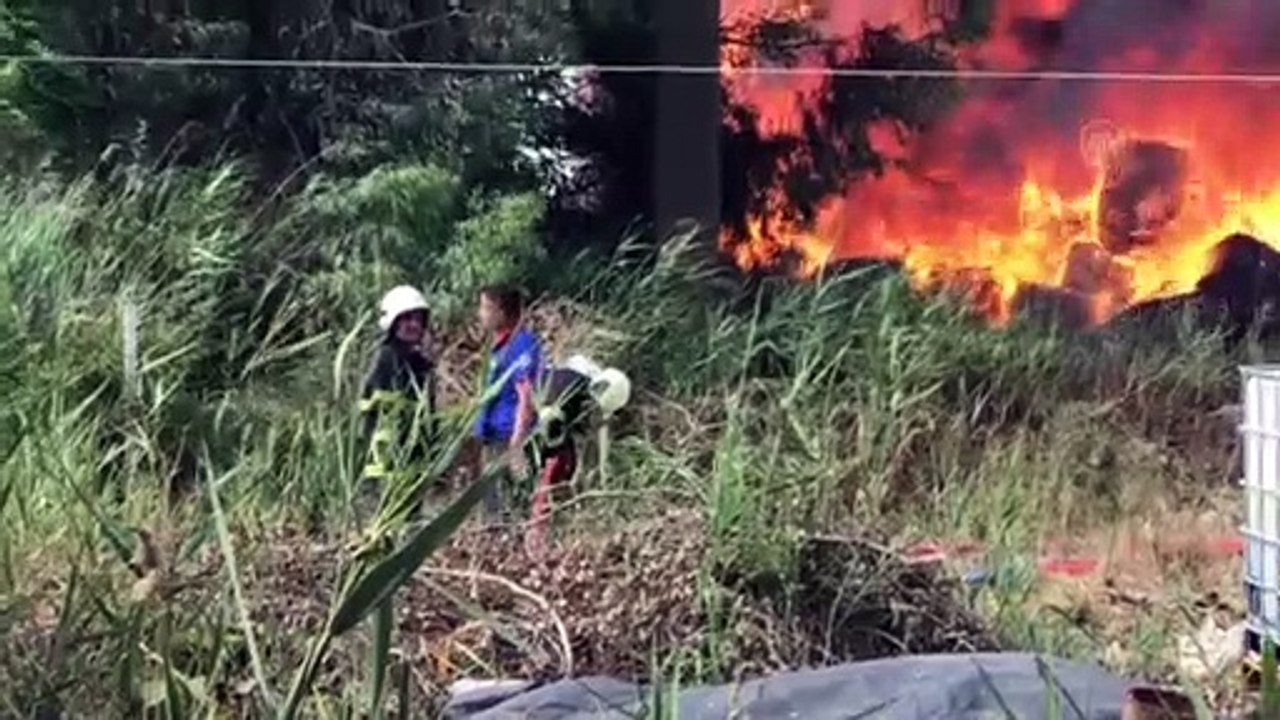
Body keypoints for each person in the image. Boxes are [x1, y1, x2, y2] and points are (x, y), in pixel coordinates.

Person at [358, 285, 437, 518]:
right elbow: (373, 413)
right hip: (385, 465)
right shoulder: (384, 360)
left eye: (419, 319)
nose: (414, 325)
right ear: (392, 322)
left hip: (414, 463)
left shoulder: (421, 366)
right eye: (406, 319)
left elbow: (428, 417)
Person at [474, 284, 544, 520]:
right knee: (491, 509)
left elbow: (526, 394)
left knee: (509, 510)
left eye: (485, 308)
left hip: (509, 439)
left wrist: (517, 443)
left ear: (500, 312)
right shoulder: (498, 348)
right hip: (494, 438)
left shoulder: (520, 344)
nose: (480, 314)